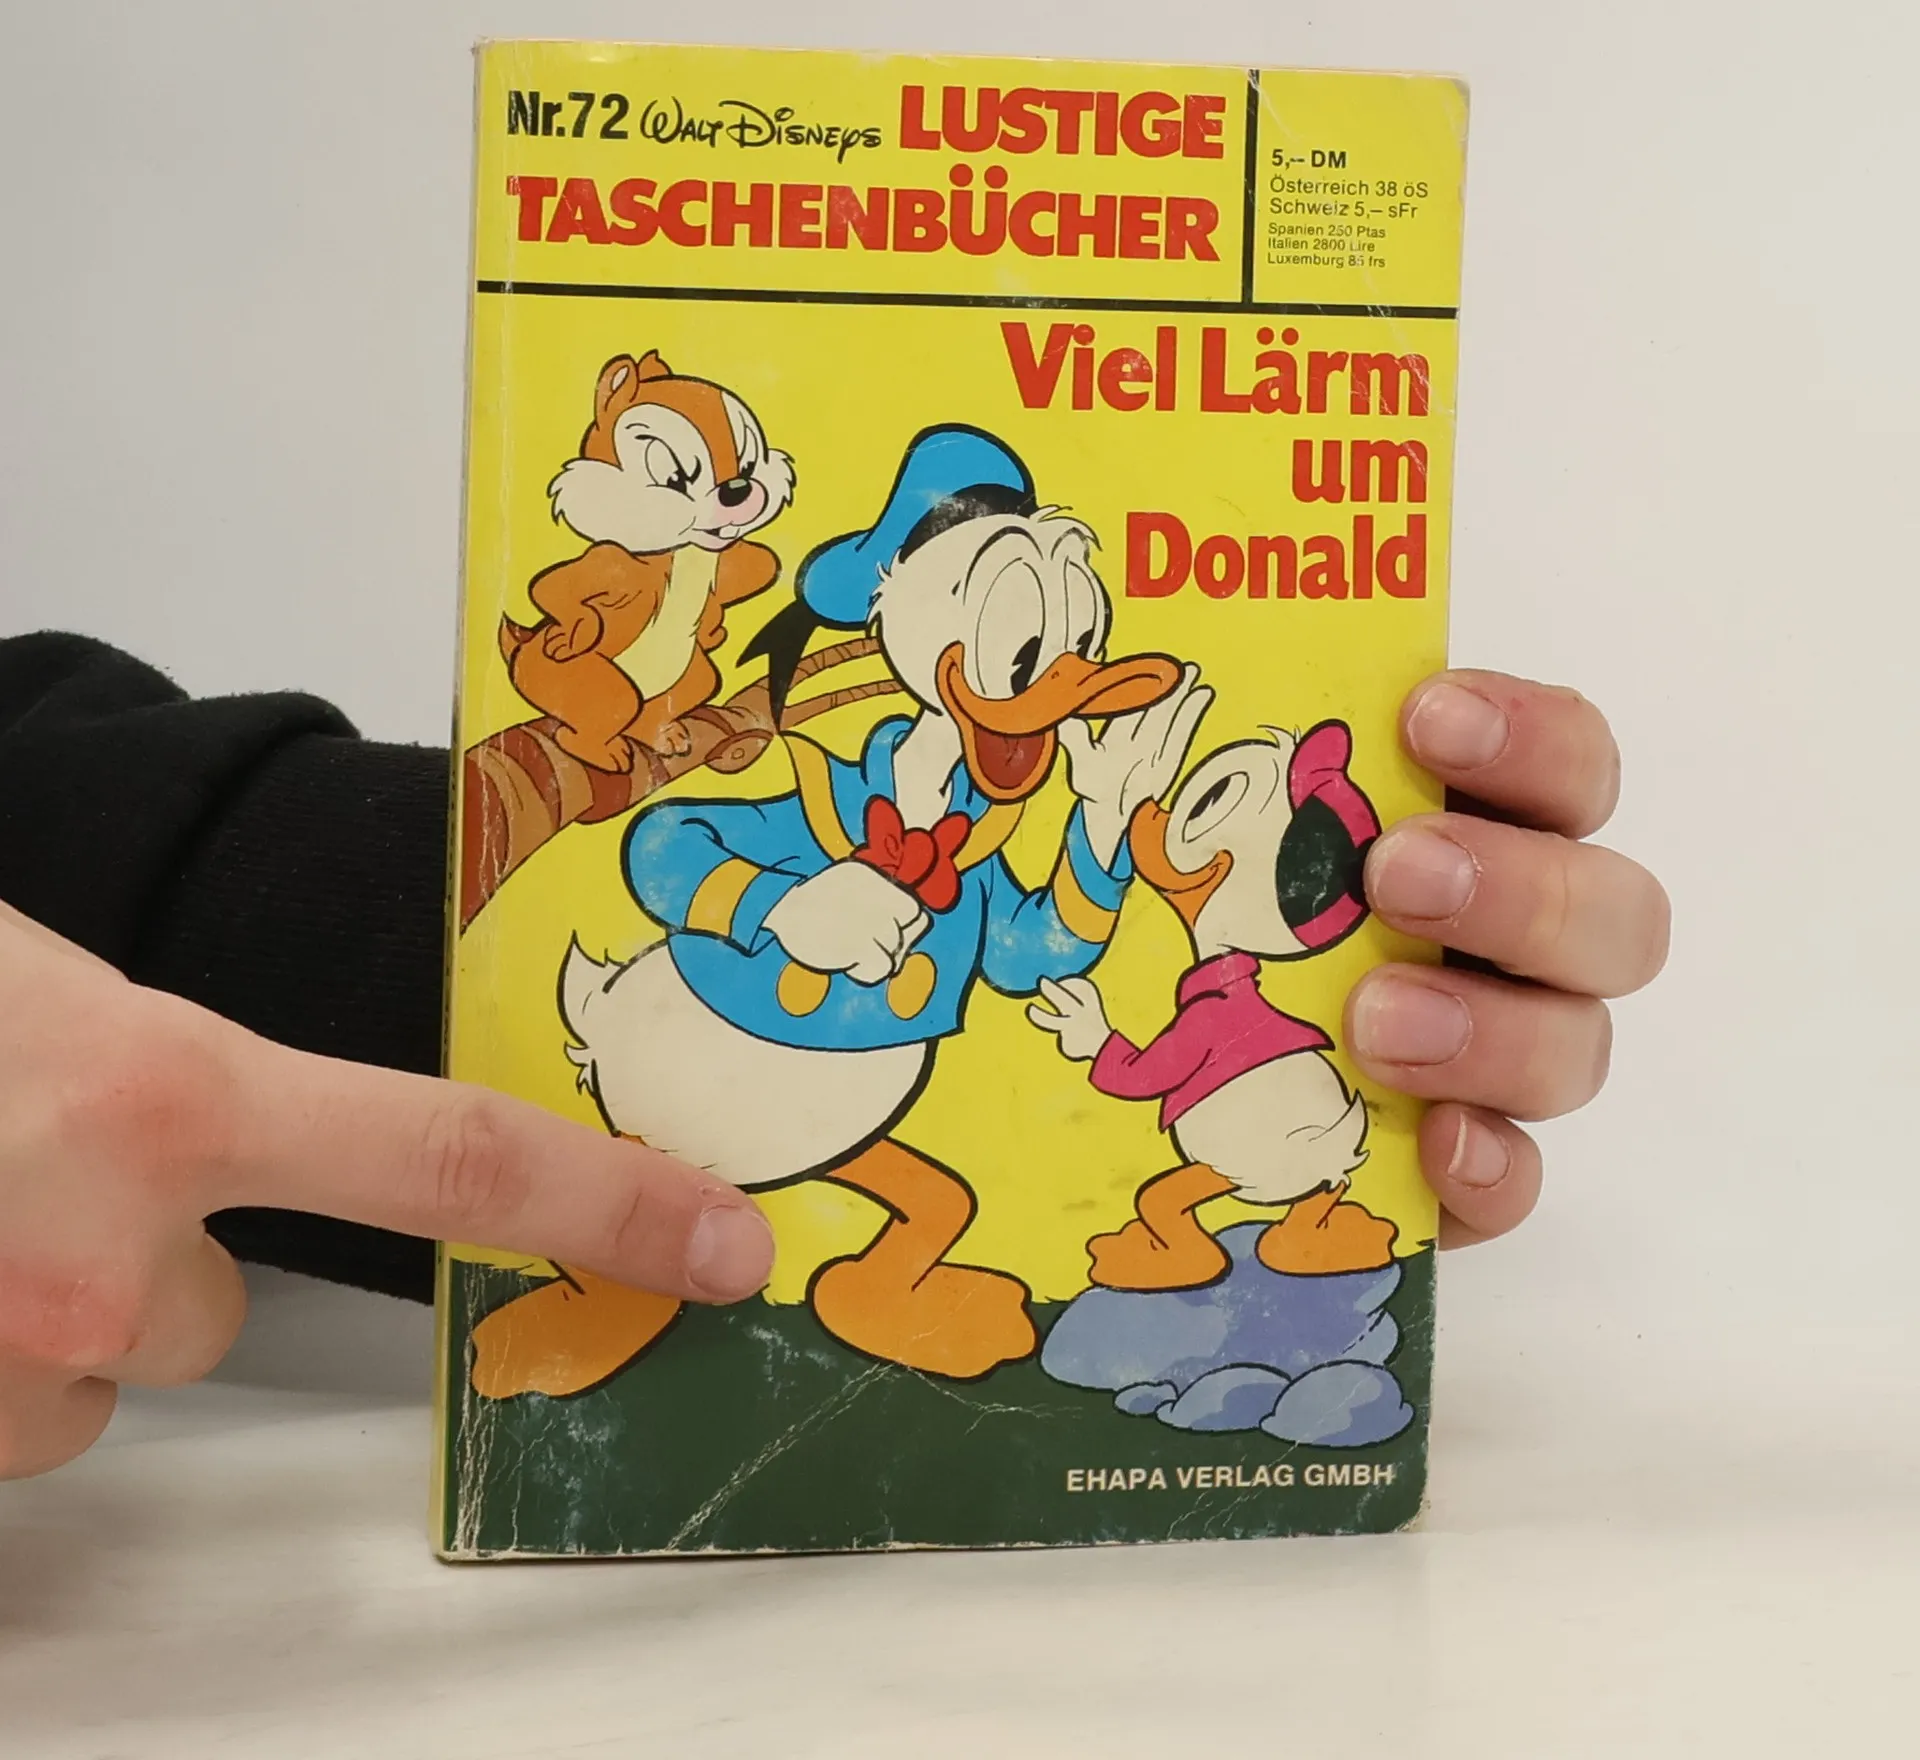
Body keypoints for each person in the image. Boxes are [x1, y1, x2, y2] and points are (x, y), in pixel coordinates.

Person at [0, 633, 1669, 1480]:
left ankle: (890, 1284)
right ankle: (610, 1297)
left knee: (925, 1202)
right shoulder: (799, 799)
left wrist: (1142, 876)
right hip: (683, 1037)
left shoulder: (990, 861)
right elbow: (669, 857)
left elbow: (1035, 947)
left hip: (831, 1112)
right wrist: (770, 903)